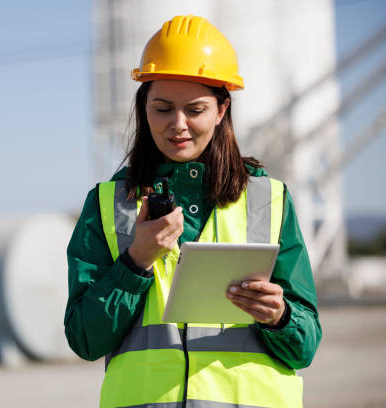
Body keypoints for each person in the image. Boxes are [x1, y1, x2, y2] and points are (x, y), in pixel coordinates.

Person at [64, 15, 322, 408]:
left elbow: (304, 346)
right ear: (143, 106)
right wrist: (135, 263)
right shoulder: (106, 204)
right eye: (162, 108)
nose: (178, 125)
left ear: (222, 110)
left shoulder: (268, 200)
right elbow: (84, 339)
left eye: (195, 109)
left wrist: (279, 316)